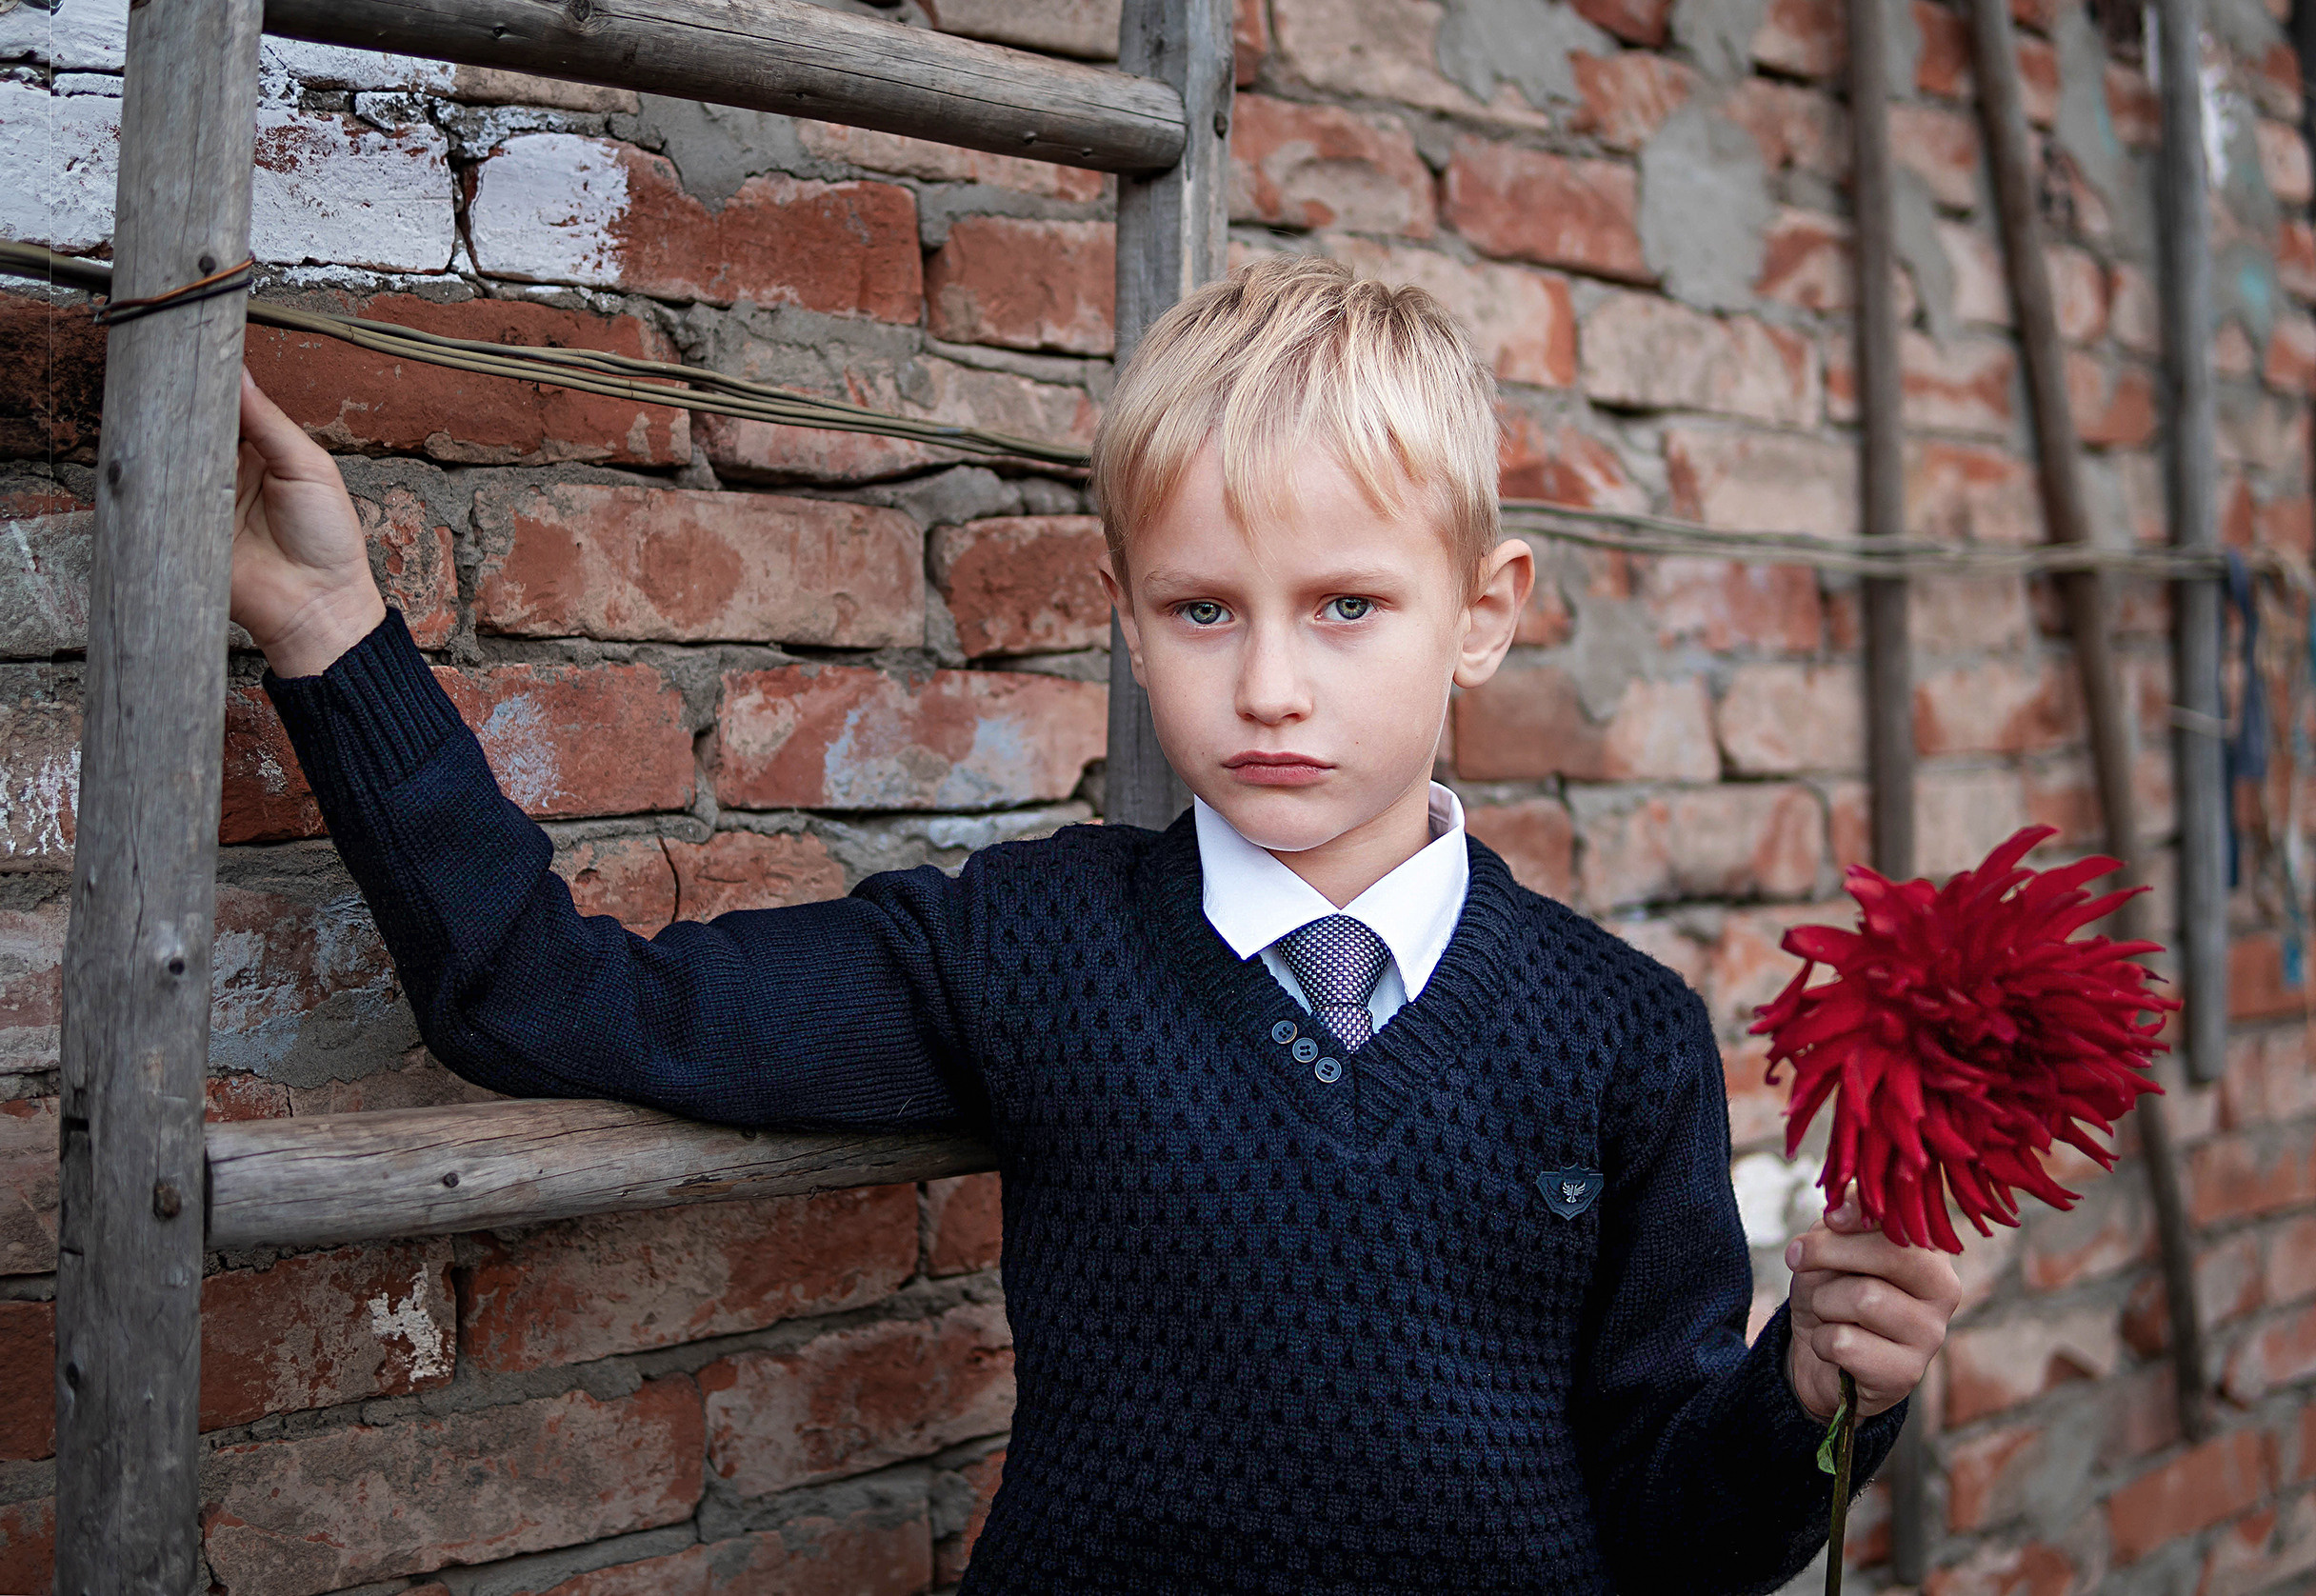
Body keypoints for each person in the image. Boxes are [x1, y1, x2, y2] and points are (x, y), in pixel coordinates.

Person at [233, 254, 1960, 1593]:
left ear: (1483, 614)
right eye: (1206, 609)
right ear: (1125, 622)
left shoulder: (1620, 1034)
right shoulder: (1029, 950)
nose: (1271, 685)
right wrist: (333, 634)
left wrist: (1807, 1397)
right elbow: (542, 999)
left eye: (1348, 605)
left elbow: (1676, 1537)